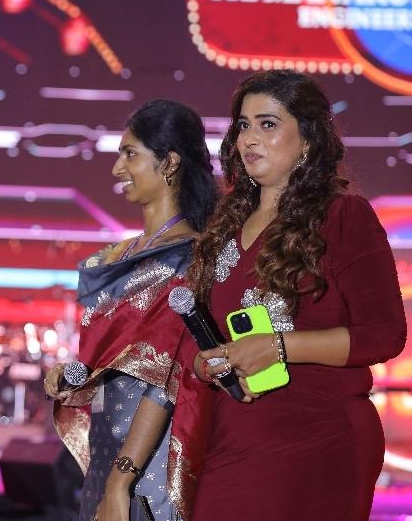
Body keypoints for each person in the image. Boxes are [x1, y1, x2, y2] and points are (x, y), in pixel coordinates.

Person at [186, 70, 406, 519]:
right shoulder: (225, 226)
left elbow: (384, 334)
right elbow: (203, 337)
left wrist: (278, 347)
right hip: (232, 435)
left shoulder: (342, 216)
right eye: (243, 125)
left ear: (307, 139)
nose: (249, 138)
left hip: (319, 437)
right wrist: (204, 363)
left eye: (267, 124)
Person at [46, 100, 218, 521]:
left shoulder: (189, 257)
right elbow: (113, 362)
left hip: (149, 460)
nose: (116, 169)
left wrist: (121, 481)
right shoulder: (117, 257)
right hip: (107, 450)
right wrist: (72, 376)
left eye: (130, 154)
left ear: (169, 162)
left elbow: (169, 376)